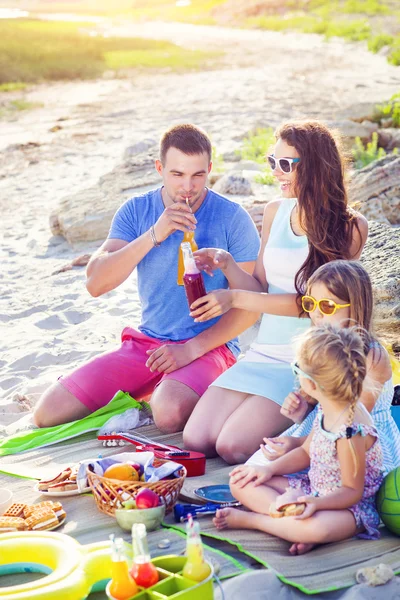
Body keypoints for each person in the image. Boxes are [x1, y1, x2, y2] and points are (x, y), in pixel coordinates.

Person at [33, 124, 260, 431]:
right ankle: (153, 386)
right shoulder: (136, 210)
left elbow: (251, 306)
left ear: (209, 169)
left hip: (210, 346)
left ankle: (166, 389)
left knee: (168, 411)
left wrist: (190, 350)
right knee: (48, 412)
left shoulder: (233, 218)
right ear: (159, 168)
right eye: (177, 174)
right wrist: (156, 233)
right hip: (148, 343)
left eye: (198, 175)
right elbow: (95, 283)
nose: (188, 187)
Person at [183, 120, 368, 463]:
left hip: (304, 362)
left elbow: (315, 306)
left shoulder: (349, 227)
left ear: (314, 165)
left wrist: (235, 298)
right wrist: (228, 266)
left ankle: (304, 417)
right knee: (196, 439)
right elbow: (261, 289)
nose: (276, 172)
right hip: (261, 351)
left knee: (231, 446)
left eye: (286, 164)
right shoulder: (274, 212)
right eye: (272, 161)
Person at [214, 325, 384, 555]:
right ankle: (289, 520)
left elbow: (351, 491)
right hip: (313, 488)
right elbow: (306, 452)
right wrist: (269, 470)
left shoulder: (350, 431)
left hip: (345, 507)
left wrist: (315, 504)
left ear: (312, 384)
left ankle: (254, 520)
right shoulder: (329, 406)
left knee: (318, 528)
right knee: (242, 481)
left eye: (297, 370)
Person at [249, 260, 400, 476]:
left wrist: (297, 443)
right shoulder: (320, 348)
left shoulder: (371, 357)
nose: (317, 314)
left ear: (356, 306)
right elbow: (324, 408)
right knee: (254, 469)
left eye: (327, 306)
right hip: (321, 428)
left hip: (358, 441)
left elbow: (349, 421)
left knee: (283, 475)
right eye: (311, 304)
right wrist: (301, 412)